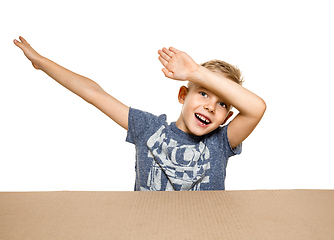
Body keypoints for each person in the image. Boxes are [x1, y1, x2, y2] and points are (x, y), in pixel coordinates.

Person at [14, 36, 266, 191]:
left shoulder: (221, 142)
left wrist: (197, 74)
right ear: (182, 95)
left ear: (228, 116)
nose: (211, 106)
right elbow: (94, 93)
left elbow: (257, 109)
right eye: (203, 93)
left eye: (223, 104)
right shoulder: (149, 128)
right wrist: (41, 62)